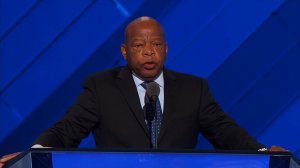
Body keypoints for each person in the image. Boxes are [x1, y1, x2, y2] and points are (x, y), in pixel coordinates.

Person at [0, 16, 286, 167]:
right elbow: (67, 130)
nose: (149, 51)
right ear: (125, 52)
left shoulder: (193, 89)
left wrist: (263, 153)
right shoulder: (101, 87)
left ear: (166, 49)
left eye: (157, 44)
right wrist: (31, 156)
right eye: (139, 45)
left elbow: (225, 132)